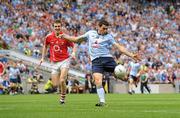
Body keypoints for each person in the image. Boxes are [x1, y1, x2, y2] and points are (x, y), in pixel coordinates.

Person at [60, 19, 140, 107]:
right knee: (98, 80)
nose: (105, 30)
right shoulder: (90, 33)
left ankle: (130, 80)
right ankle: (102, 102)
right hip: (96, 62)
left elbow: (119, 47)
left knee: (122, 77)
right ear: (98, 26)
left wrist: (131, 55)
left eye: (106, 29)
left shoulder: (109, 36)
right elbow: (76, 39)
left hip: (108, 59)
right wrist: (65, 36)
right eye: (104, 28)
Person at [39, 19, 76, 104]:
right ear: (53, 27)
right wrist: (42, 58)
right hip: (54, 62)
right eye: (55, 26)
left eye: (59, 26)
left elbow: (73, 45)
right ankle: (62, 84)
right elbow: (45, 46)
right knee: (55, 84)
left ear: (61, 27)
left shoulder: (65, 36)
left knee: (62, 80)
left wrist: (73, 53)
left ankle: (62, 98)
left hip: (65, 60)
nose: (57, 28)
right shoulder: (48, 37)